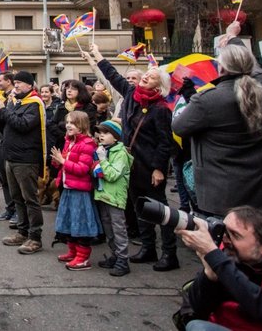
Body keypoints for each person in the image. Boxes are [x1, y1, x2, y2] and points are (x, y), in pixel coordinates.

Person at [84, 42, 177, 271]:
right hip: (129, 164)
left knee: (159, 209)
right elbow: (113, 76)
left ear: (160, 86)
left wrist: (158, 168)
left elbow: (165, 143)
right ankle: (148, 248)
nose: (145, 77)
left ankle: (169, 253)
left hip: (149, 165)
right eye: (146, 74)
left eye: (151, 77)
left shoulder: (161, 109)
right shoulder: (131, 94)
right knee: (139, 207)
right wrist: (97, 54)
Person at [172, 44, 262, 217]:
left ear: (221, 67)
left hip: (221, 190)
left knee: (222, 239)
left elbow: (179, 126)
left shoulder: (209, 99)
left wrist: (192, 97)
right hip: (258, 185)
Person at [0, 71, 47, 255]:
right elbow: (5, 127)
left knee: (30, 198)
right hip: (11, 156)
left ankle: (35, 237)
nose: (15, 86)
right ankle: (22, 232)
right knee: (17, 197)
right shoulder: (16, 102)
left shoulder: (34, 103)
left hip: (26, 159)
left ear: (30, 85)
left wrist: (4, 110)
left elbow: (22, 125)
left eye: (20, 83)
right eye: (15, 82)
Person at [50, 110, 101, 270]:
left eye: (73, 123)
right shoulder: (69, 141)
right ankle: (72, 251)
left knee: (81, 224)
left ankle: (83, 258)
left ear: (82, 125)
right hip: (68, 187)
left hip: (80, 190)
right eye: (68, 122)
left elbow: (82, 169)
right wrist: (57, 162)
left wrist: (63, 161)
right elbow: (64, 164)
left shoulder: (87, 144)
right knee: (69, 222)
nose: (68, 125)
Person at [93, 118, 133, 276]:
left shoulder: (120, 153)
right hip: (103, 195)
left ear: (116, 136)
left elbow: (112, 175)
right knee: (108, 228)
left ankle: (123, 260)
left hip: (115, 197)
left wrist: (102, 160)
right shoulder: (102, 149)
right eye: (100, 133)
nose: (101, 136)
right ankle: (114, 255)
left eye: (106, 133)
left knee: (118, 228)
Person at [0, 71, 18, 224]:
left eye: (0, 80)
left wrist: (2, 109)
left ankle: (18, 211)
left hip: (12, 142)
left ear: (9, 81)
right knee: (4, 178)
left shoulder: (15, 98)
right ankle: (10, 208)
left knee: (13, 178)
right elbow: (0, 123)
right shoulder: (1, 97)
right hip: (1, 140)